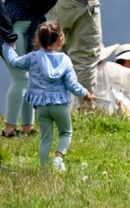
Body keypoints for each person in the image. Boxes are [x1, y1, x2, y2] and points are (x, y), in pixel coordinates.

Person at [3, 0, 116, 137]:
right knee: (21, 79)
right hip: (17, 25)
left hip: (29, 23)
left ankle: (27, 128)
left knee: (29, 77)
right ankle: (9, 130)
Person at [1, 21, 92, 171]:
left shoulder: (32, 57)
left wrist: (8, 45)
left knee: (45, 139)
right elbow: (72, 85)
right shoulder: (65, 60)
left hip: (42, 107)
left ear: (38, 39)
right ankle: (58, 159)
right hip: (59, 105)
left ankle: (44, 171)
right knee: (66, 132)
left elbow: (14, 62)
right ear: (60, 40)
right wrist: (85, 94)